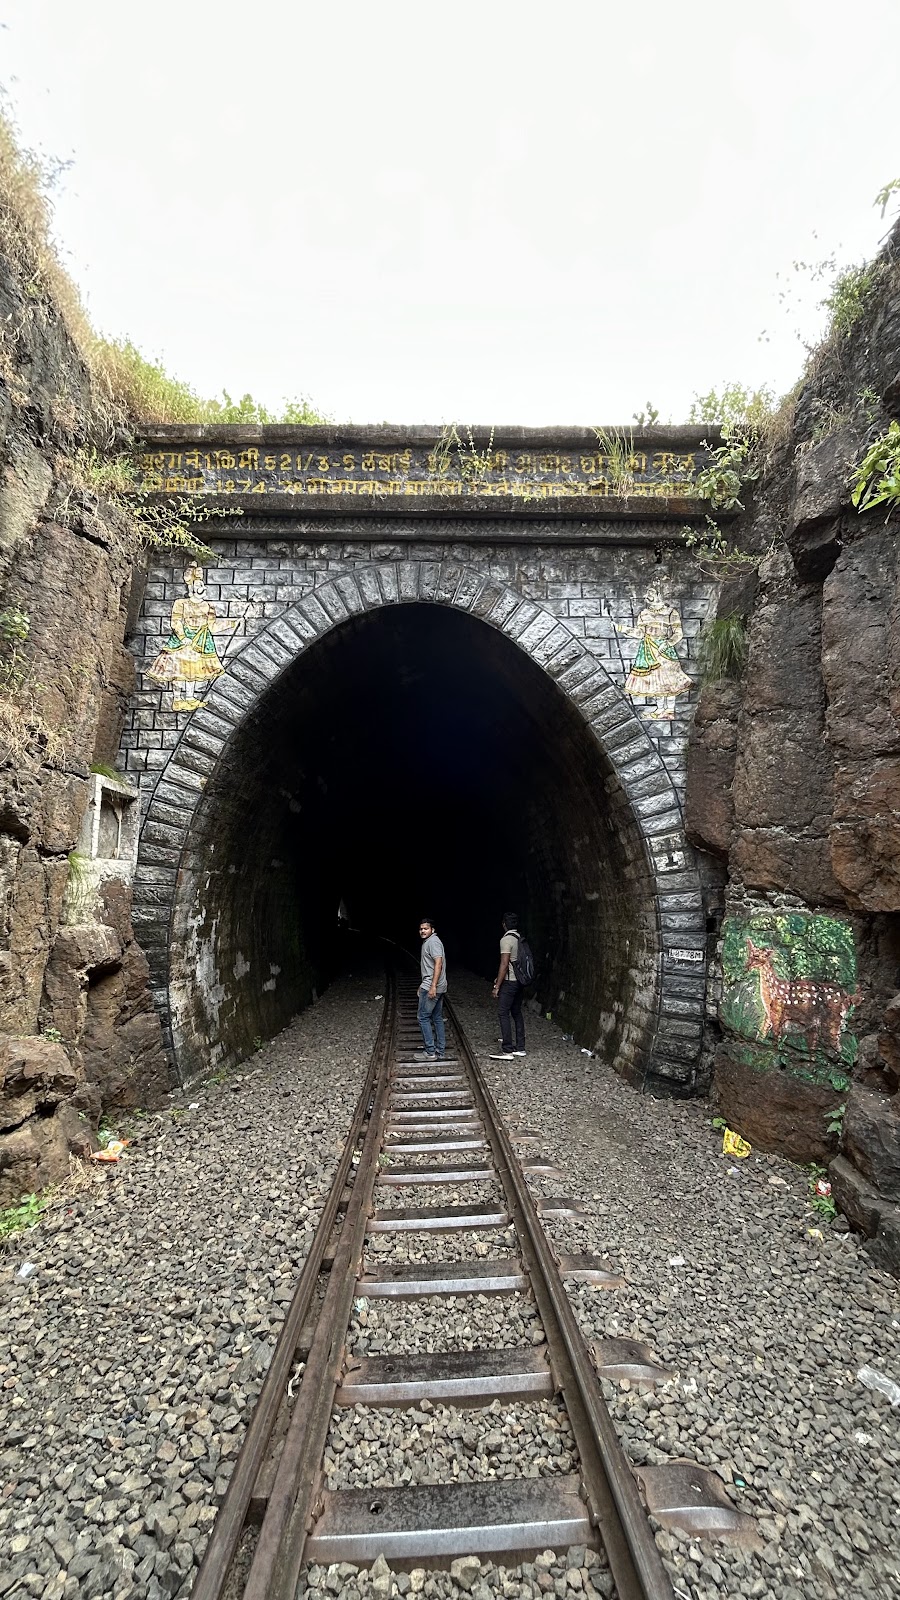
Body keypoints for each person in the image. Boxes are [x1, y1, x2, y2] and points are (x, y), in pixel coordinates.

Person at [490, 911, 526, 1061]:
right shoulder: (519, 938)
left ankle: (507, 1050)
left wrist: (497, 985)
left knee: (503, 1012)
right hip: (519, 981)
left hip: (510, 981)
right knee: (516, 1012)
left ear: (504, 924)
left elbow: (504, 964)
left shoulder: (506, 940)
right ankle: (520, 1048)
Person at [415, 917, 447, 1062]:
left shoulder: (433, 942)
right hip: (435, 985)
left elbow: (438, 964)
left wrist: (432, 986)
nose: (423, 931)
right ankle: (440, 1050)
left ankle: (430, 1052)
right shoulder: (430, 941)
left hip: (433, 987)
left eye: (425, 928)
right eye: (421, 929)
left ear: (432, 929)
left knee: (423, 1017)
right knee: (437, 1018)